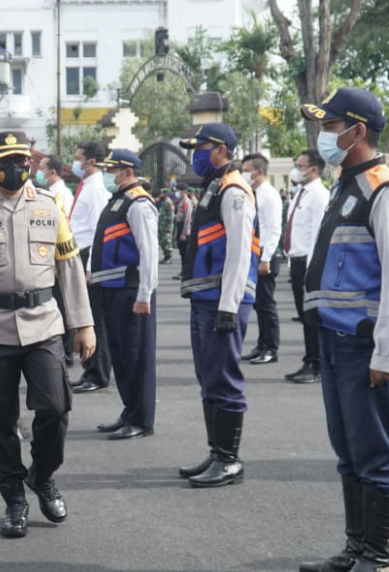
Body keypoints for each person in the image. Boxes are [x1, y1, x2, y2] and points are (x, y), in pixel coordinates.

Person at [0, 130, 95, 538]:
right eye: (5, 162)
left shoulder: (48, 207)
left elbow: (70, 267)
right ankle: (13, 495)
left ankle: (41, 475)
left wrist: (84, 323)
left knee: (55, 408)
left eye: (21, 160)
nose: (15, 168)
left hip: (43, 322)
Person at [297, 87, 389, 572]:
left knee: (375, 452)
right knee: (348, 451)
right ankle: (356, 546)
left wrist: (387, 354)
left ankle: (379, 560)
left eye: (331, 125)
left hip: (364, 344)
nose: (324, 135)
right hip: (335, 338)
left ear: (357, 131)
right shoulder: (348, 184)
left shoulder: (383, 191)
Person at [175, 123, 258, 488]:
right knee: (208, 377)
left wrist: (229, 305)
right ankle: (216, 451)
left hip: (223, 301)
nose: (196, 154)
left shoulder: (235, 190)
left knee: (224, 378)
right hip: (206, 298)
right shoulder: (216, 186)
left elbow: (240, 252)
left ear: (221, 149)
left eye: (201, 147)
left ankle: (228, 459)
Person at [89, 149, 159, 440]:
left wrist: (145, 294)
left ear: (127, 171)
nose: (109, 173)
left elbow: (149, 252)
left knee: (136, 355)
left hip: (132, 291)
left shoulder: (139, 204)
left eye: (113, 169)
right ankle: (129, 410)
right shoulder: (119, 199)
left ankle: (142, 418)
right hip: (113, 289)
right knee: (121, 354)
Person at [69, 141, 113, 393]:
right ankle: (90, 369)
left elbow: (100, 230)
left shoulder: (96, 190)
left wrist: (90, 265)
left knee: (94, 320)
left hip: (88, 256)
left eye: (79, 158)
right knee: (86, 316)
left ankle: (97, 372)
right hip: (80, 254)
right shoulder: (86, 187)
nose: (76, 163)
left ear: (91, 162)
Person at [283, 150, 328, 383]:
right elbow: (295, 231)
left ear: (314, 169)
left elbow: (317, 235)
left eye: (301, 166)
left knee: (312, 317)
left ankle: (317, 364)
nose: (297, 169)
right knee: (304, 316)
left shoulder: (319, 195)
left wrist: (312, 268)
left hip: (311, 263)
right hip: (298, 260)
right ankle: (309, 359)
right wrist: (291, 261)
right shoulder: (300, 193)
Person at [240, 153, 284, 365]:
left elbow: (274, 228)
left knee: (266, 304)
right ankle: (261, 344)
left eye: (246, 169)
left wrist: (265, 258)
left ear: (258, 171)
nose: (243, 173)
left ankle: (271, 348)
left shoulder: (269, 195)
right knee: (258, 303)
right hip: (255, 252)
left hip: (266, 253)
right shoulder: (253, 192)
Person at [37, 153, 77, 364]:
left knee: (63, 305)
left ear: (52, 171)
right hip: (48, 259)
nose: (39, 172)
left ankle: (67, 350)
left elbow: (65, 230)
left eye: (42, 169)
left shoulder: (62, 195)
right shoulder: (49, 193)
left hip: (60, 257)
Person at [156, 188, 175, 264]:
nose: (160, 195)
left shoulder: (168, 202)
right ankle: (165, 257)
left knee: (167, 241)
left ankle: (169, 257)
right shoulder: (164, 202)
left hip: (167, 226)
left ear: (166, 194)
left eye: (162, 193)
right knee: (163, 242)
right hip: (162, 225)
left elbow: (171, 215)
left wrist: (169, 226)